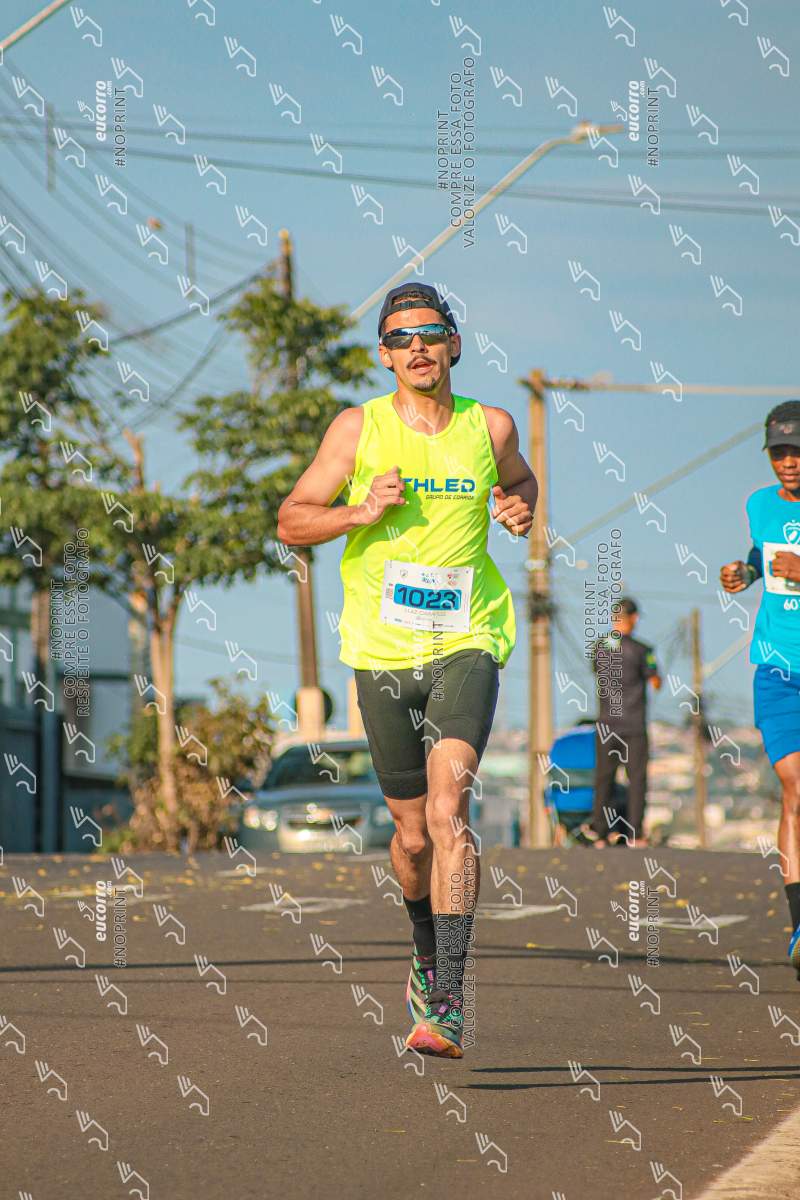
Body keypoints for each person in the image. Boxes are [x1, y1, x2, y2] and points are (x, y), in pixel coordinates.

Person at [277, 282, 537, 1057]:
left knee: (450, 809)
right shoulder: (358, 429)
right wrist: (360, 511)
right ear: (384, 356)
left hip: (467, 640)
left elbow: (519, 480)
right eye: (400, 338)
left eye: (429, 332)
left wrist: (519, 506)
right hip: (383, 654)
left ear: (454, 343)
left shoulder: (491, 426)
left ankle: (448, 1002)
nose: (416, 347)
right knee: (413, 836)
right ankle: (423, 945)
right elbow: (292, 520)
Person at [720, 400, 800, 981]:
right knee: (794, 786)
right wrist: (744, 573)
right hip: (777, 668)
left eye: (796, 452)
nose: (788, 463)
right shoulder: (759, 505)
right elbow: (761, 556)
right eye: (779, 453)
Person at [579, 596, 662, 848]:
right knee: (636, 780)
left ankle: (600, 832)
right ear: (634, 618)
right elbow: (655, 682)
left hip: (606, 723)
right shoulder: (643, 650)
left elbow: (596, 670)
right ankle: (635, 834)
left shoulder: (600, 647)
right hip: (634, 725)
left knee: (604, 778)